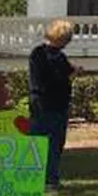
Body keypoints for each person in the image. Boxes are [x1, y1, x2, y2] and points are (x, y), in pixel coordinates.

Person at [29, 18, 75, 187]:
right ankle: (46, 178)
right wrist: (69, 76)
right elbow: (51, 79)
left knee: (46, 142)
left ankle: (46, 177)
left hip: (51, 104)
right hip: (46, 103)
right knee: (51, 143)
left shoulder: (45, 54)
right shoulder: (43, 55)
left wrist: (73, 71)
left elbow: (68, 71)